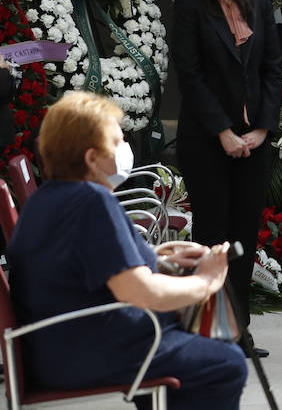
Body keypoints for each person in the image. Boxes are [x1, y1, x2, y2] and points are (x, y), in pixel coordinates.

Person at [7, 91, 247, 408]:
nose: (125, 149)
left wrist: (161, 257)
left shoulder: (48, 198)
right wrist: (207, 281)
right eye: (118, 142)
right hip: (87, 351)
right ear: (92, 158)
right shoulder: (91, 201)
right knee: (225, 361)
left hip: (63, 348)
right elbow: (142, 293)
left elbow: (83, 265)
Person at [170, 0, 282, 354]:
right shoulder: (188, 6)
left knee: (244, 233)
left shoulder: (258, 2)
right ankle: (209, 328)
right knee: (213, 234)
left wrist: (260, 128)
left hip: (254, 140)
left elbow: (273, 68)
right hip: (207, 140)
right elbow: (190, 75)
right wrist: (223, 131)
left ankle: (238, 327)